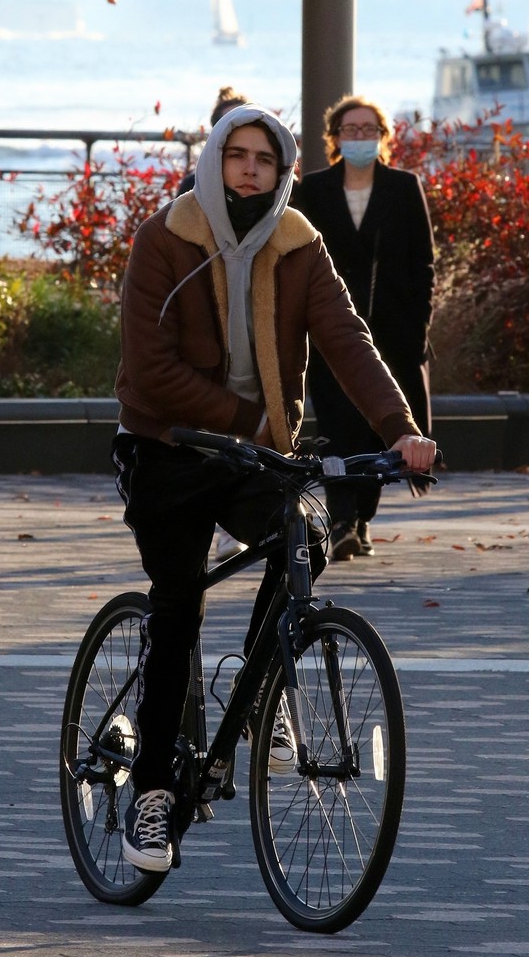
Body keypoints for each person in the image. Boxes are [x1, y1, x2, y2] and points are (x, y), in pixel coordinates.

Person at [111, 103, 437, 872]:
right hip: (165, 445)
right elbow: (149, 370)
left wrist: (399, 429)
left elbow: (347, 339)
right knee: (177, 610)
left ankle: (262, 693)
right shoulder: (165, 239)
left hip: (255, 452)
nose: (250, 167)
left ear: (284, 167)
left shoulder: (298, 244)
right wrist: (248, 419)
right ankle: (152, 796)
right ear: (214, 160)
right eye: (237, 154)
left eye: (265, 156)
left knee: (308, 532)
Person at [292, 95, 435, 562]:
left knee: (380, 432)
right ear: (334, 138)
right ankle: (342, 519)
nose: (359, 137)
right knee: (337, 425)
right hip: (331, 333)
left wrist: (418, 331)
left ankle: (363, 518)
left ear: (383, 138)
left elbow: (423, 266)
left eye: (368, 130)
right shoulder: (312, 190)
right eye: (350, 130)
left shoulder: (403, 187)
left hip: (393, 334)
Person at [178, 84, 251, 562]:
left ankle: (229, 522)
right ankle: (208, 522)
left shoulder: (277, 198)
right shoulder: (189, 193)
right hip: (204, 327)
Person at [176, 85, 248, 196]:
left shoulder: (273, 184)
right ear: (216, 132)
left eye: (246, 123)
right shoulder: (194, 185)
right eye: (230, 125)